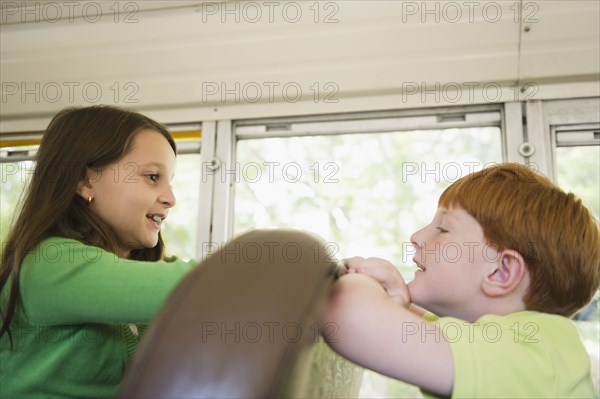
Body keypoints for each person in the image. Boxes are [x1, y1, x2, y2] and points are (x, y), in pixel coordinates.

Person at [321, 163, 600, 398]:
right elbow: (401, 323)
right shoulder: (493, 341)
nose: (416, 237)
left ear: (500, 272)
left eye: (442, 229)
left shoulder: (537, 355)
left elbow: (347, 314)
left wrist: (359, 282)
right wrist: (390, 295)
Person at [0, 106, 196, 398]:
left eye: (170, 183)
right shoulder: (50, 264)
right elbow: (206, 285)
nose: (170, 198)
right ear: (85, 180)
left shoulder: (133, 266)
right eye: (152, 177)